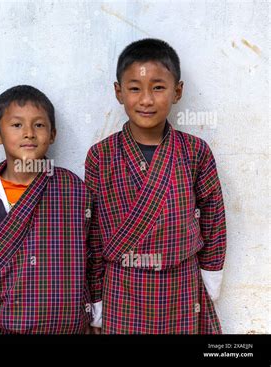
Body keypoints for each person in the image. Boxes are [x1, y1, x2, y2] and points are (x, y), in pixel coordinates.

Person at [85, 39, 226, 334]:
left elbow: (213, 216)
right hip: (123, 286)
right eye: (135, 88)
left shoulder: (195, 151)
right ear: (118, 92)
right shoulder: (100, 156)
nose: (146, 99)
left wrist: (211, 273)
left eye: (158, 87)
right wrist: (96, 297)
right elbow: (93, 234)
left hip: (181, 283)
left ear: (177, 91)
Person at [0, 85, 103, 334]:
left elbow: (93, 253)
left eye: (39, 125)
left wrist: (97, 314)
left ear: (52, 134)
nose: (29, 133)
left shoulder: (73, 189)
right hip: (4, 323)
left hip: (67, 324)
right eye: (17, 125)